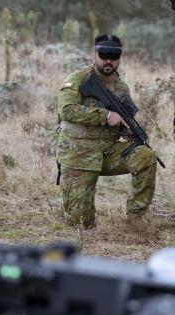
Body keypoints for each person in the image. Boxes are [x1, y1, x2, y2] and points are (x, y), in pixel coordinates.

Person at [56, 34, 157, 229]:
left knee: (146, 156)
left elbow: (121, 124)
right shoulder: (78, 79)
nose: (109, 61)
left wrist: (130, 131)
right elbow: (66, 110)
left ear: (119, 58)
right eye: (104, 55)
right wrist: (105, 116)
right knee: (80, 224)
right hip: (79, 155)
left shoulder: (121, 88)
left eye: (114, 56)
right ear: (94, 56)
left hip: (107, 154)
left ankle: (136, 217)